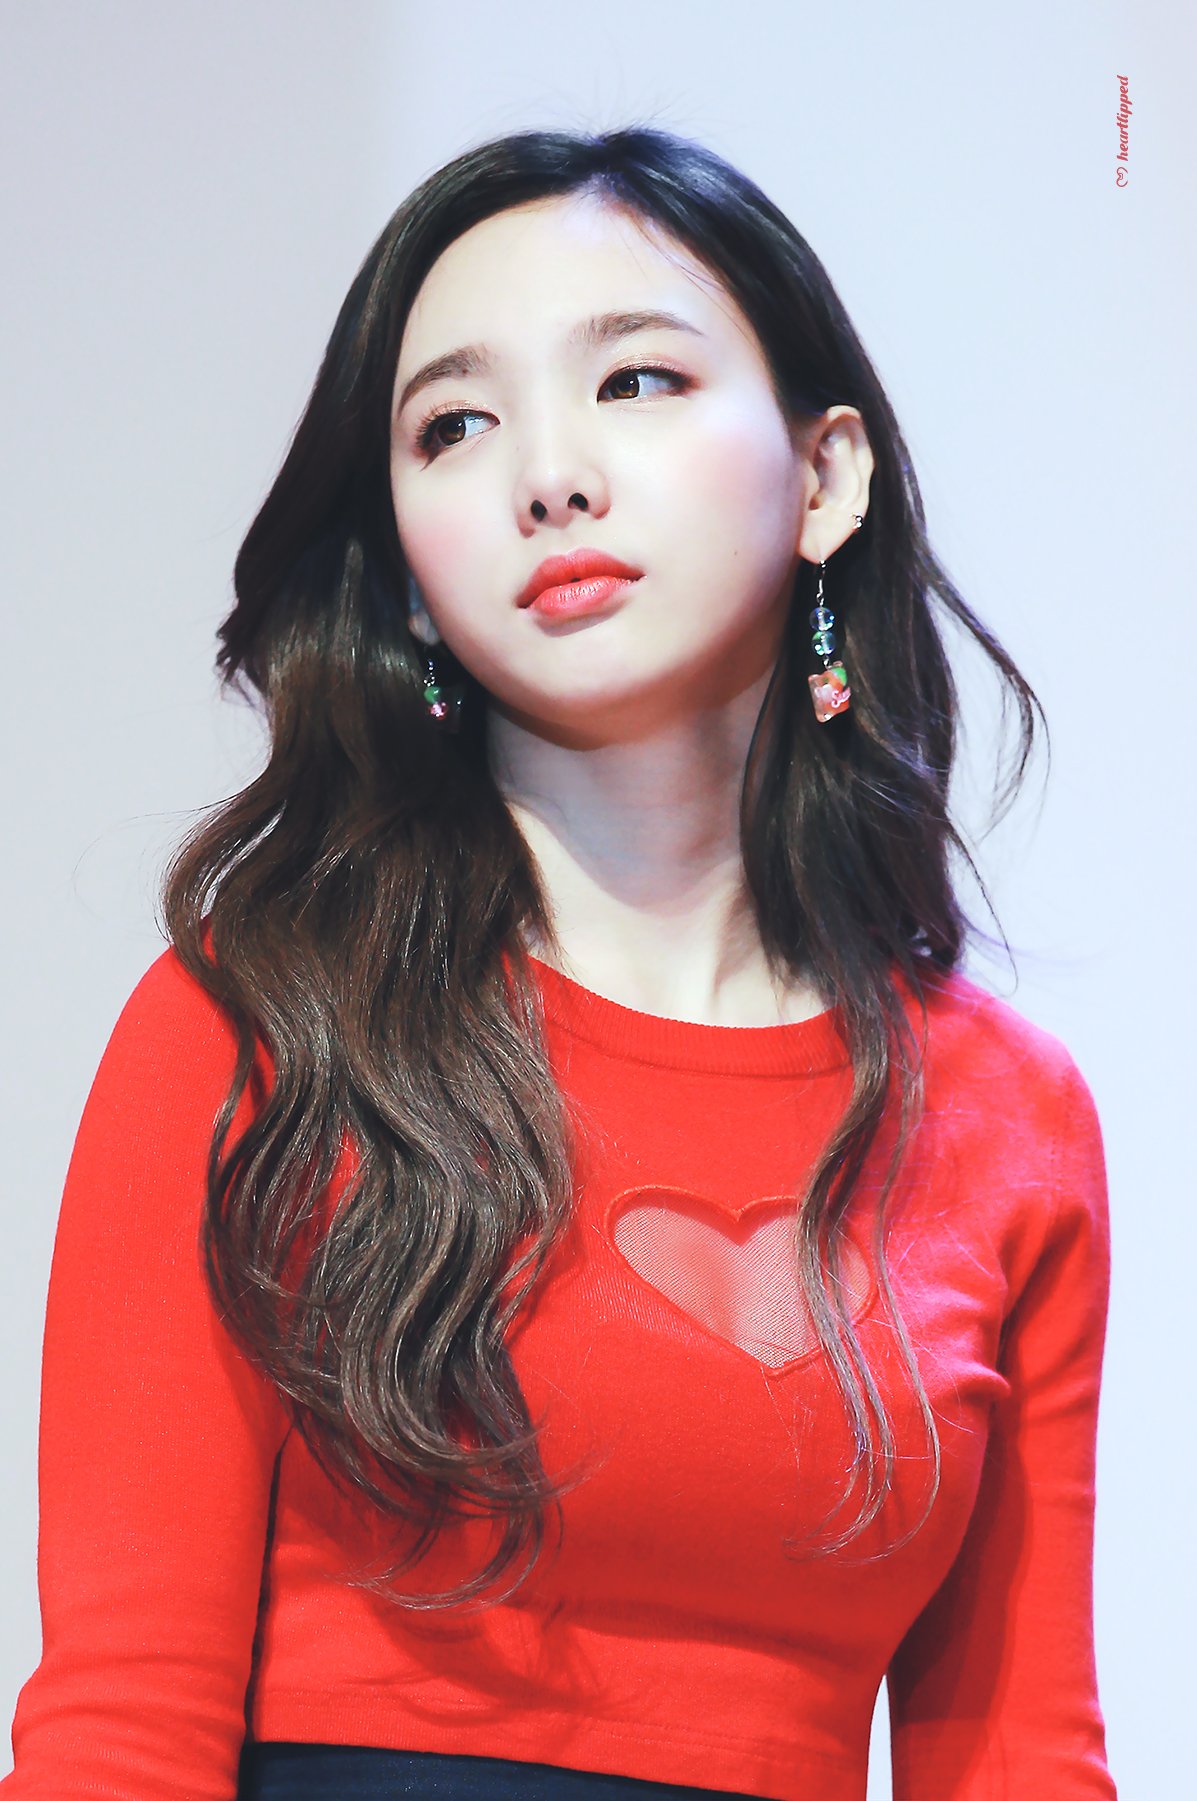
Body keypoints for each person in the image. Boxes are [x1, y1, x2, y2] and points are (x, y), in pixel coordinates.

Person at [2, 125, 1118, 1801]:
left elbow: (1020, 1754)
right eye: (454, 424)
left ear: (826, 476)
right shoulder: (258, 1021)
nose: (548, 475)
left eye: (636, 382)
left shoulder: (1010, 1117)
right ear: (405, 563)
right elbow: (121, 1724)